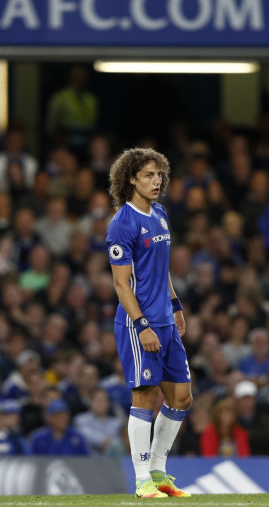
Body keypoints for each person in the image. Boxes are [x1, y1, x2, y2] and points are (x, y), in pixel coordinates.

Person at [106, 148, 192, 498]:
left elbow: (161, 268)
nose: (157, 182)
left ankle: (158, 471)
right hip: (138, 324)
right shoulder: (122, 224)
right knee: (145, 397)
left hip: (166, 322)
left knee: (181, 398)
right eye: (148, 176)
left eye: (159, 175)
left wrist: (174, 304)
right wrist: (142, 325)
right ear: (131, 179)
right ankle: (142, 481)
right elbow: (121, 284)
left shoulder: (159, 213)